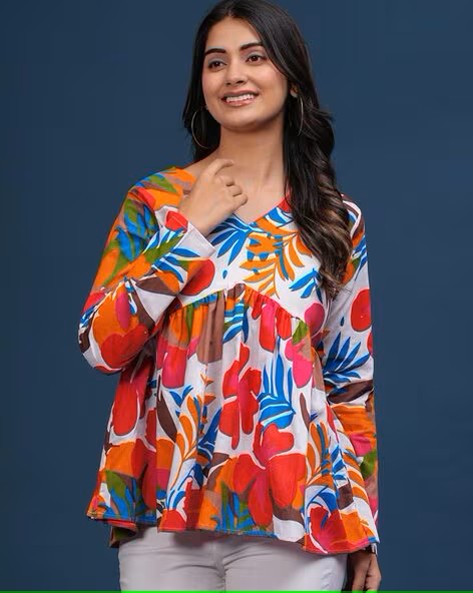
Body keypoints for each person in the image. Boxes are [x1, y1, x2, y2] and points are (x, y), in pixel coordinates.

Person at [77, 0, 382, 590]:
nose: (234, 75)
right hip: (163, 514)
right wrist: (188, 230)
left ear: (292, 79)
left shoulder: (335, 220)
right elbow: (100, 345)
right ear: (202, 84)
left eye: (255, 57)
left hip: (299, 516)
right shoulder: (154, 202)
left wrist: (366, 526)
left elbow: (352, 386)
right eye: (216, 62)